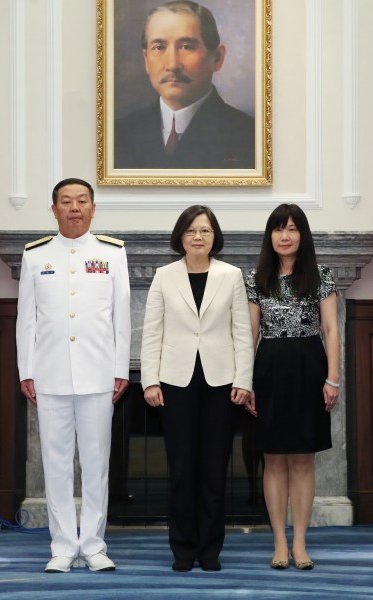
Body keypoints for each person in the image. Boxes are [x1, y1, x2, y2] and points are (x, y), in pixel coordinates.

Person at [16, 178, 131, 573]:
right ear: (54, 210)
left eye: (82, 201)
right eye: (66, 202)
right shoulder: (36, 255)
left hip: (98, 375)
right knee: (57, 465)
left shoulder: (112, 253)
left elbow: (121, 317)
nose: (75, 208)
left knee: (96, 466)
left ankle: (94, 545)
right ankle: (63, 546)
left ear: (93, 209)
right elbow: (26, 321)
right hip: (50, 376)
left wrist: (120, 368)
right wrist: (26, 370)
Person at [141, 205, 254, 572]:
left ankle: (210, 550)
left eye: (204, 230)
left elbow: (242, 332)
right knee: (182, 468)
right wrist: (150, 380)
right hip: (175, 384)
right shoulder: (164, 276)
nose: (198, 237)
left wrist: (244, 380)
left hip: (222, 384)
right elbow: (152, 332)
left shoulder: (231, 275)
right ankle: (183, 549)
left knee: (214, 469)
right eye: (191, 230)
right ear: (180, 237)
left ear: (214, 236)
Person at [245, 203, 339, 571]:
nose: (285, 236)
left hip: (308, 368)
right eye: (278, 229)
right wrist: (246, 382)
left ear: (302, 234)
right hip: (269, 369)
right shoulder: (256, 278)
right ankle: (279, 543)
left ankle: (300, 543)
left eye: (292, 229)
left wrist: (333, 378)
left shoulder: (320, 275)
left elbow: (331, 329)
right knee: (273, 459)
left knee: (302, 459)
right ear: (269, 235)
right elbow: (250, 333)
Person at [114, 1, 255, 169]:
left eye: (187, 47)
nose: (172, 64)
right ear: (146, 60)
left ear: (217, 58)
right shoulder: (119, 133)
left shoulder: (250, 136)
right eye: (159, 47)